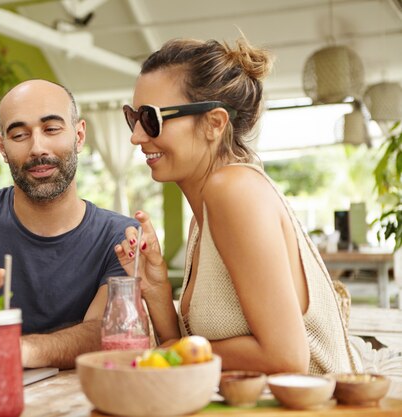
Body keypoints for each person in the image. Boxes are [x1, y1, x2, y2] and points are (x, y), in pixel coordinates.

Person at [114, 38, 357, 375]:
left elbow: (285, 358)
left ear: (214, 123)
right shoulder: (204, 216)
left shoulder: (233, 190)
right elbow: (200, 358)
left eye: (151, 119)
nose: (137, 136)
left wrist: (175, 350)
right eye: (133, 117)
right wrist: (156, 290)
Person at [0, 79, 137, 369]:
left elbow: (105, 331)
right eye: (19, 134)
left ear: (79, 135)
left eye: (51, 129)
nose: (38, 148)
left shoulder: (119, 236)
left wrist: (15, 350)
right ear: (2, 147)